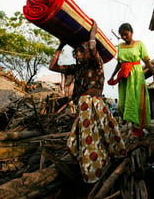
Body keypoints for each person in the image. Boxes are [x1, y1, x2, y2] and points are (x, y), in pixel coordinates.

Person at [49, 19, 126, 184]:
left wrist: (93, 34)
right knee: (88, 140)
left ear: (87, 53)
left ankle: (102, 165)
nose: (77, 54)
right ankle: (91, 169)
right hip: (83, 106)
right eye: (76, 52)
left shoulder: (96, 64)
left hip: (95, 104)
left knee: (101, 137)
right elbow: (53, 67)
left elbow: (92, 48)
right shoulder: (77, 68)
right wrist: (60, 46)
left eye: (80, 52)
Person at [108, 23, 154, 140]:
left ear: (131, 32)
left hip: (136, 76)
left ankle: (139, 129)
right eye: (122, 36)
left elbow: (147, 62)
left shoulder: (139, 44)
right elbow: (119, 63)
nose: (124, 37)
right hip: (125, 77)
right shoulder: (120, 46)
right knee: (126, 102)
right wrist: (112, 76)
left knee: (138, 101)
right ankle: (131, 127)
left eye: (126, 34)